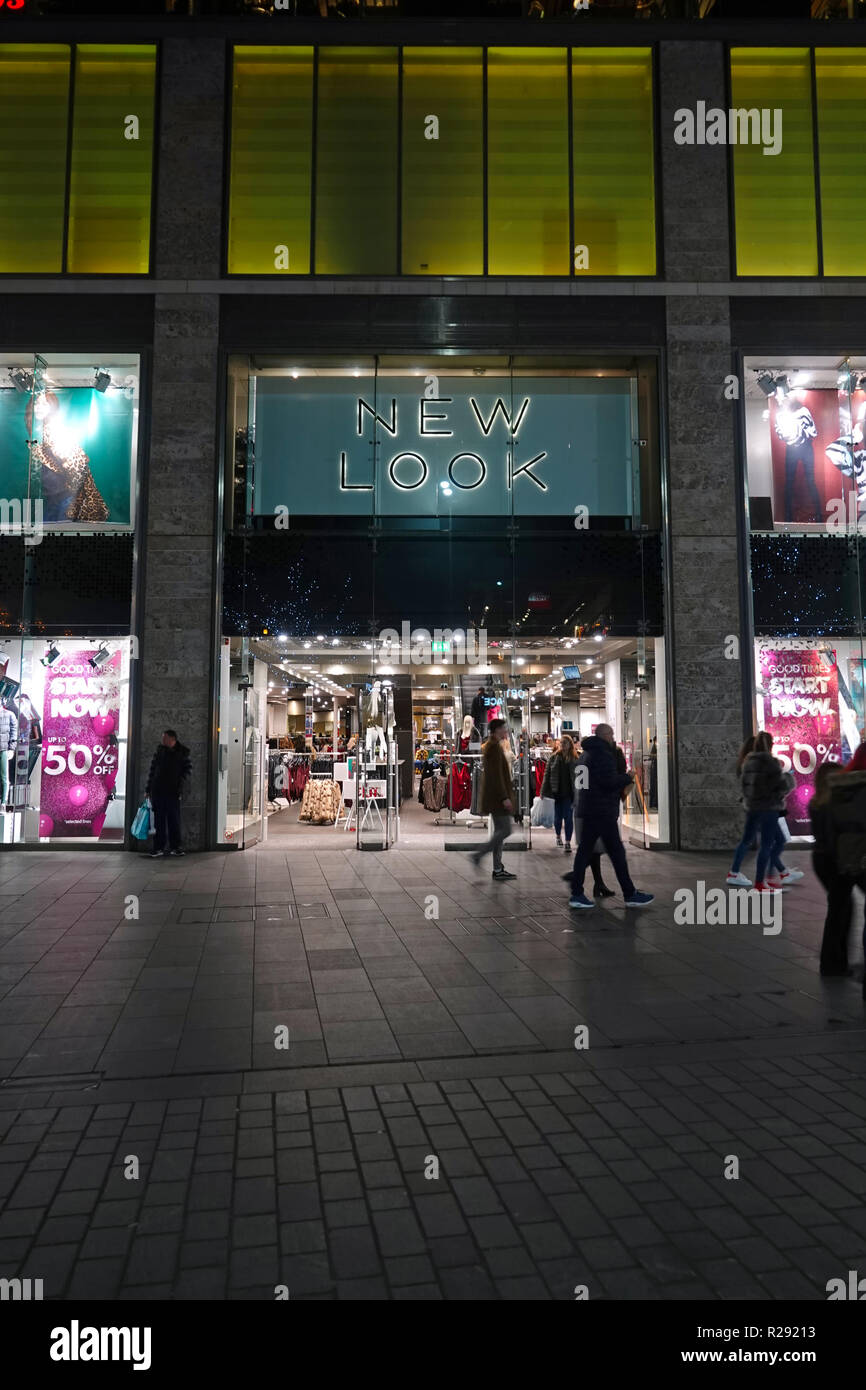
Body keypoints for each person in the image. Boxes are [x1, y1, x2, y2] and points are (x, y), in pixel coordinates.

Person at [567, 723, 654, 910]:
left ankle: (577, 892)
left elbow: (583, 782)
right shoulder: (603, 755)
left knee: (587, 850)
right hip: (602, 810)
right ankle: (629, 894)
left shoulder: (586, 754)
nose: (613, 737)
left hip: (590, 808)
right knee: (615, 852)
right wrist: (628, 777)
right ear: (605, 735)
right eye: (611, 734)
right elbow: (608, 782)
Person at [809, 763, 856, 977]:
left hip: (821, 859)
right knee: (840, 911)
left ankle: (834, 962)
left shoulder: (816, 802)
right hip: (834, 860)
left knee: (839, 909)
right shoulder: (832, 805)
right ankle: (833, 963)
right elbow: (832, 838)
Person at [739, 731, 794, 893]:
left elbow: (744, 787)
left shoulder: (748, 763)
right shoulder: (771, 763)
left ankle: (770, 877)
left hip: (752, 808)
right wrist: (789, 781)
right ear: (771, 745)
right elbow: (780, 787)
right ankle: (761, 882)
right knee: (769, 844)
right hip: (768, 809)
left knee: (758, 841)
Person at [470, 718, 516, 881]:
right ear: (496, 730)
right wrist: (504, 797)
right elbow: (496, 776)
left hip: (495, 797)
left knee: (499, 832)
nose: (506, 731)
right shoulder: (493, 748)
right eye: (504, 728)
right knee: (506, 830)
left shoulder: (493, 746)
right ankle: (479, 854)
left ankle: (497, 868)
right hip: (497, 798)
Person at [145, 728, 191, 858]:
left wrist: (180, 788)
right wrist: (148, 789)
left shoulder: (182, 753)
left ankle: (175, 847)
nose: (162, 740)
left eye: (164, 738)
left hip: (173, 792)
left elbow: (186, 772)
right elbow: (153, 771)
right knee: (159, 822)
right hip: (158, 792)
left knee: (174, 820)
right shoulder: (160, 752)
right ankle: (158, 847)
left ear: (172, 739)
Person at [541, 733, 576, 851]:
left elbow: (581, 777)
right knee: (557, 818)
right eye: (561, 743)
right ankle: (558, 836)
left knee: (568, 818)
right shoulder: (553, 757)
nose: (562, 745)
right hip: (556, 793)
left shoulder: (575, 758)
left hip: (570, 794)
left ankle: (567, 842)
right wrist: (543, 791)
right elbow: (547, 775)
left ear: (570, 745)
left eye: (565, 743)